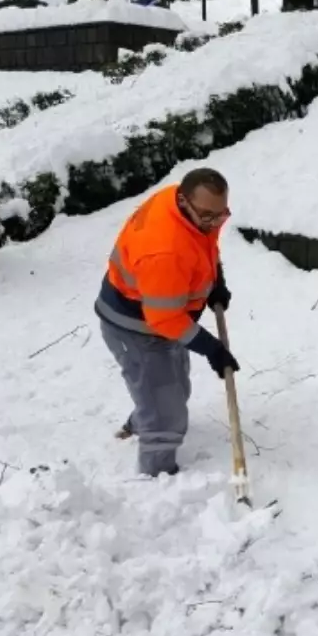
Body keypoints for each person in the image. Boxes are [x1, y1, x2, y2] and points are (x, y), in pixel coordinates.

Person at [95, 167, 241, 477]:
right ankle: (157, 478)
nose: (215, 223)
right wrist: (211, 348)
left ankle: (142, 418)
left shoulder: (188, 208)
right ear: (185, 202)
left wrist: (216, 281)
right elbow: (164, 318)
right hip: (136, 328)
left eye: (221, 215)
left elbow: (205, 243)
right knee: (167, 417)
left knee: (175, 387)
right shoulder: (165, 249)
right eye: (208, 216)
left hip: (163, 315)